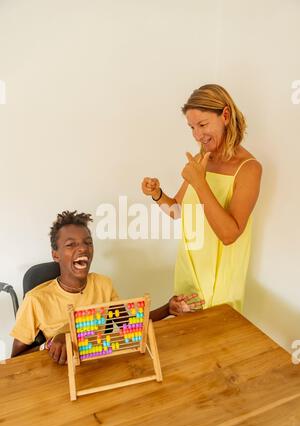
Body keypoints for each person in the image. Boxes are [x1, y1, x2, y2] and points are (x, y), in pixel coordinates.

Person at [11, 210, 203, 364]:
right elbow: (15, 360)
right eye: (71, 245)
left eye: (88, 243)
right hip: (63, 377)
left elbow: (127, 323)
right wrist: (50, 345)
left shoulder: (103, 284)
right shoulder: (36, 300)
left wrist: (167, 309)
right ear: (56, 255)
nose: (83, 248)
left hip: (104, 365)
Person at [142, 84, 262, 313]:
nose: (197, 135)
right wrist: (156, 194)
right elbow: (177, 212)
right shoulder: (201, 159)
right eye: (192, 127)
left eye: (203, 124)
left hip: (220, 287)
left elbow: (229, 234)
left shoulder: (249, 168)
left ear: (225, 115)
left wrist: (199, 181)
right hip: (188, 278)